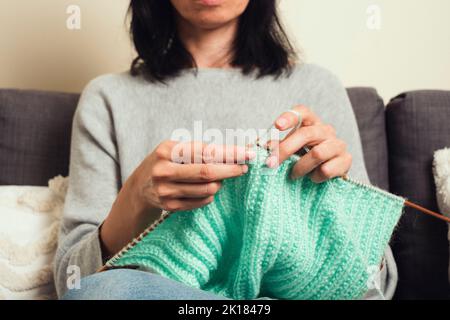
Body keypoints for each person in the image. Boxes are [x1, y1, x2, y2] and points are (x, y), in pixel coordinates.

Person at [56, 0, 397, 300]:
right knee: (105, 292)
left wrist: (339, 198)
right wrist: (136, 196)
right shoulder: (108, 98)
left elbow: (373, 283)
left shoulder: (317, 87)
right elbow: (73, 283)